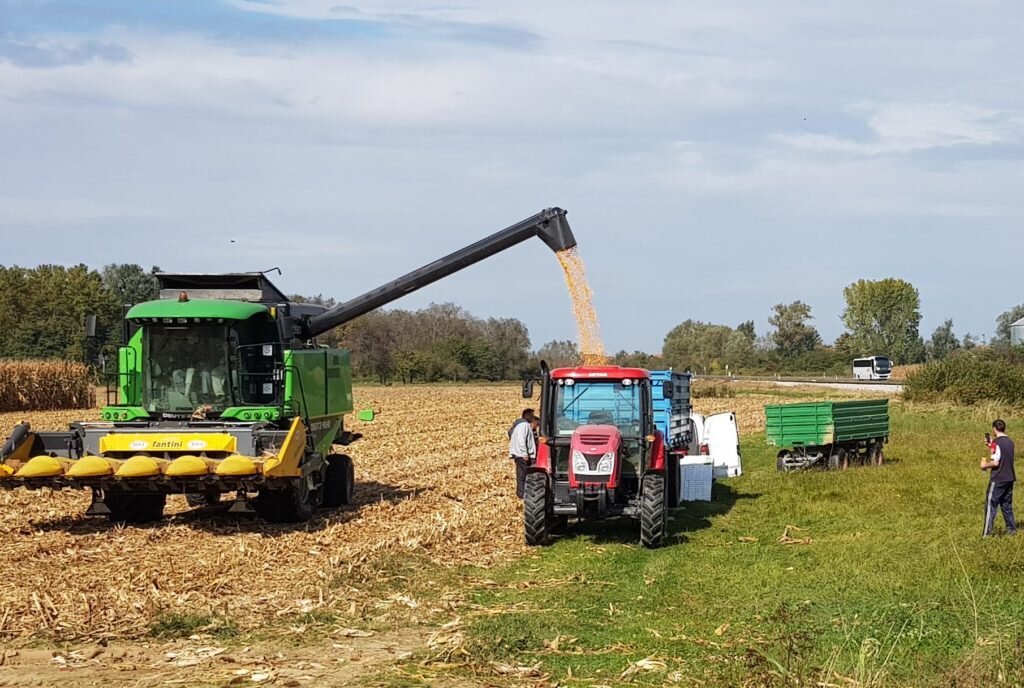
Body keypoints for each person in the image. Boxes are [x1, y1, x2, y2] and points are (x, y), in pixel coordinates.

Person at [981, 419, 1016, 537]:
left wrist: (984, 466)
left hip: (998, 479)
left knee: (991, 505)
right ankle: (1012, 531)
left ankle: (986, 534)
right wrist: (990, 445)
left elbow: (995, 462)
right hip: (1009, 477)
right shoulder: (1010, 442)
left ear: (994, 428)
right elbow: (1002, 453)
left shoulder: (996, 443)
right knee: (1007, 505)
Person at [508, 411, 539, 499]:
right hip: (522, 455)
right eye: (536, 425)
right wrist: (525, 453)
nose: (535, 428)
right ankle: (528, 495)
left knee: (521, 475)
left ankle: (521, 494)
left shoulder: (519, 426)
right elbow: (522, 440)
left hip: (518, 454)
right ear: (533, 422)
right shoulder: (524, 426)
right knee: (528, 475)